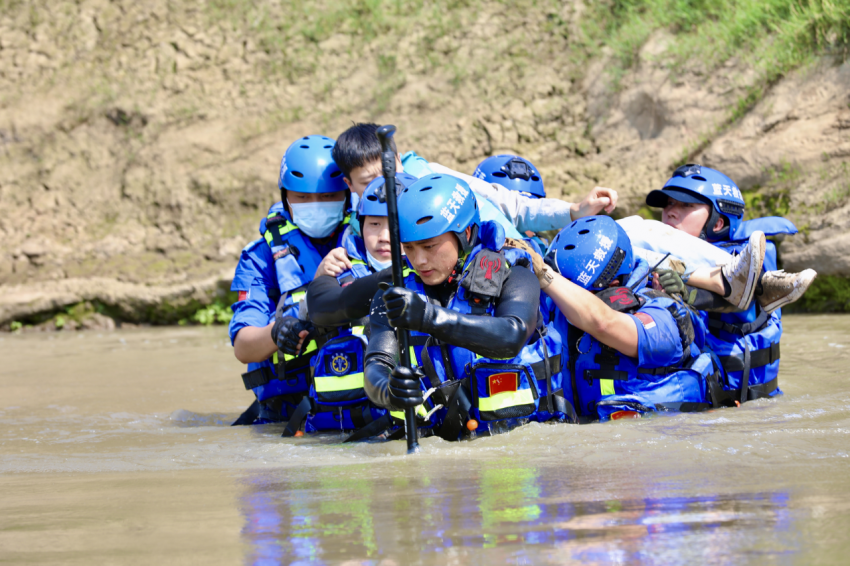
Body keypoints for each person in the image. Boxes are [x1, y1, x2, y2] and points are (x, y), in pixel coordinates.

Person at [363, 173, 562, 440]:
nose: (419, 260)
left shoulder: (515, 276)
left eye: (429, 246)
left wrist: (428, 318)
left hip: (515, 446)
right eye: (409, 248)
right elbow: (377, 363)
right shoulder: (395, 295)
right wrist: (388, 391)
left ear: (466, 233)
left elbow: (512, 336)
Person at [644, 164, 817, 404]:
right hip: (701, 401)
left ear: (717, 223)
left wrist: (686, 292)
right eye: (668, 204)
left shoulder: (743, 262)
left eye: (686, 205)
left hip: (738, 407)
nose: (670, 212)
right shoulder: (652, 252)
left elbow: (738, 305)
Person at [525, 216, 723, 421]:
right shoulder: (558, 307)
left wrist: (545, 275)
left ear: (614, 282)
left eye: (577, 290)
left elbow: (604, 323)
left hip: (661, 436)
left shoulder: (662, 316)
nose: (567, 299)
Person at [228, 135, 353, 425]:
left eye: (327, 197)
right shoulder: (260, 257)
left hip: (358, 400)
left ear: (347, 193)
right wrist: (276, 331)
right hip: (289, 412)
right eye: (303, 198)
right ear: (285, 196)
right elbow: (243, 346)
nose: (316, 205)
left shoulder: (368, 239)